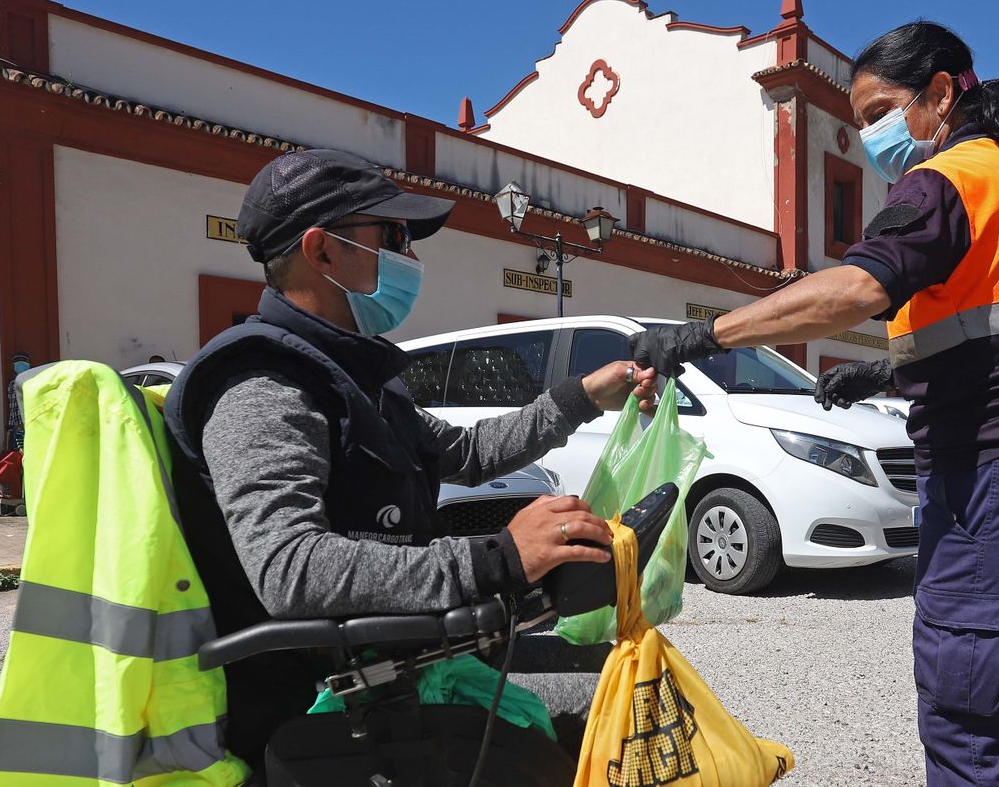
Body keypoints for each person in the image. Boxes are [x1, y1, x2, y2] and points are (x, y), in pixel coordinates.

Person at [630, 22, 999, 786]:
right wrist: (884, 376)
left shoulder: (946, 178)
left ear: (940, 93)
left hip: (992, 477)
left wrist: (704, 336)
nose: (872, 135)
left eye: (880, 112)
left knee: (967, 709)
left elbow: (857, 286)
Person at [163, 149, 655, 770]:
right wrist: (498, 559)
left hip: (399, 665)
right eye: (393, 237)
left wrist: (580, 397)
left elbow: (466, 453)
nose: (411, 258)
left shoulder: (357, 376)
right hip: (324, 705)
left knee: (610, 703)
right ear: (321, 251)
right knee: (592, 740)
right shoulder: (263, 384)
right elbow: (289, 569)